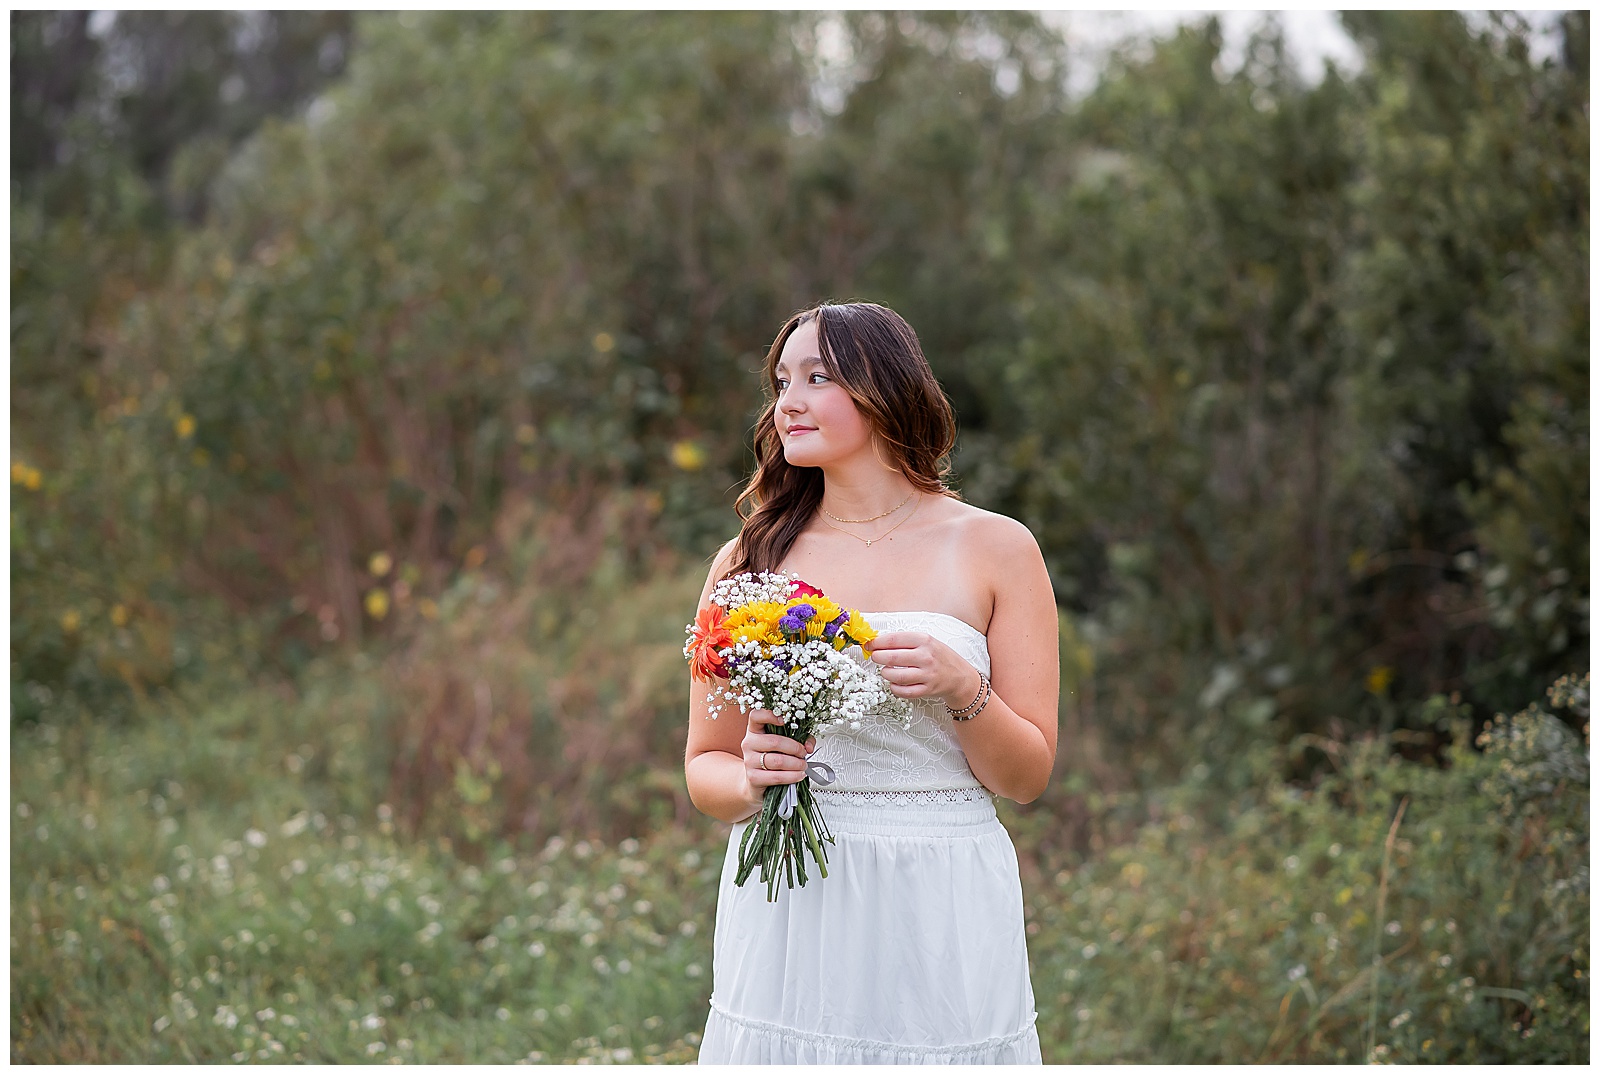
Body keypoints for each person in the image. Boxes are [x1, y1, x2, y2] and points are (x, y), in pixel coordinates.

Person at [684, 301, 1060, 1064]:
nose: (787, 400)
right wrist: (753, 781)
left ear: (884, 388)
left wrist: (965, 691)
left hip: (942, 889)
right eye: (781, 380)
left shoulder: (998, 547)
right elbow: (705, 766)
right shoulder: (748, 559)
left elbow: (1027, 777)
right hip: (792, 897)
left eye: (816, 377)